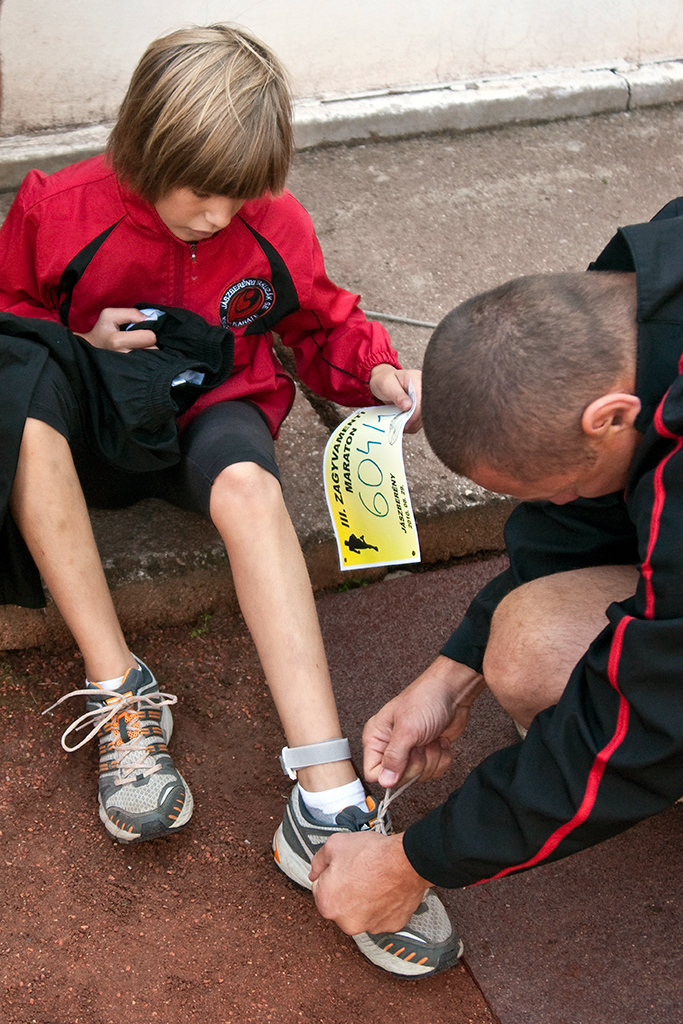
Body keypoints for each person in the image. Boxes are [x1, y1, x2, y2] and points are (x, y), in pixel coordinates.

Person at [0, 24, 462, 976]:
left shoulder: (272, 220)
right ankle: (121, 690)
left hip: (213, 407)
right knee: (19, 386)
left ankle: (324, 798)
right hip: (91, 413)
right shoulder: (61, 205)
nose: (215, 216)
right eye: (197, 194)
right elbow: (12, 312)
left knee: (251, 486)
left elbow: (321, 322)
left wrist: (378, 376)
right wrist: (77, 335)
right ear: (141, 152)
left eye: (236, 195)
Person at [309, 199, 683, 940]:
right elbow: (575, 526)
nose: (561, 503)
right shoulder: (621, 310)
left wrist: (412, 863)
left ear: (610, 414)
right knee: (530, 647)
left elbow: (645, 716)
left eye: (562, 486)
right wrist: (450, 674)